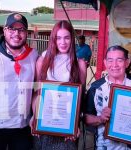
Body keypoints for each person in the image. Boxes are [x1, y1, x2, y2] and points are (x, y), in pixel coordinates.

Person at [31, 20, 87, 150]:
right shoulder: (42, 61)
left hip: (67, 128)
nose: (63, 42)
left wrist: (74, 125)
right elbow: (36, 93)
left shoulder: (80, 64)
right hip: (43, 125)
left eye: (67, 37)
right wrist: (34, 117)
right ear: (53, 39)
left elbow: (80, 98)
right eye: (58, 38)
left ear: (72, 39)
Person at [0, 13, 38, 150]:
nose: (16, 34)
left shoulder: (33, 55)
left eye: (21, 30)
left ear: (26, 33)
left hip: (23, 126)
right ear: (4, 30)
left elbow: (38, 89)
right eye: (12, 29)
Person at [84, 45, 131, 150]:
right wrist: (100, 118)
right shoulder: (96, 88)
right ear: (105, 63)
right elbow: (85, 118)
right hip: (103, 146)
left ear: (127, 63)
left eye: (119, 60)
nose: (114, 65)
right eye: (110, 60)